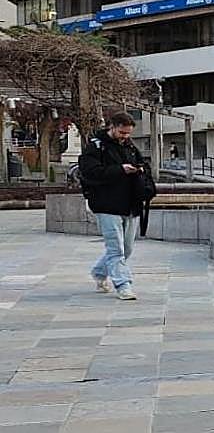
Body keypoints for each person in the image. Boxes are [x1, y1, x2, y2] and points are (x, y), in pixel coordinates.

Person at [78, 112, 154, 301]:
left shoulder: (129, 146)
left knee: (127, 248)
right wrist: (121, 170)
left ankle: (99, 272)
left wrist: (140, 168)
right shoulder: (95, 147)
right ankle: (123, 284)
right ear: (111, 127)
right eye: (122, 133)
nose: (125, 137)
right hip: (106, 204)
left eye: (128, 133)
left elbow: (143, 163)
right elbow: (90, 172)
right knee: (116, 249)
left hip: (130, 203)